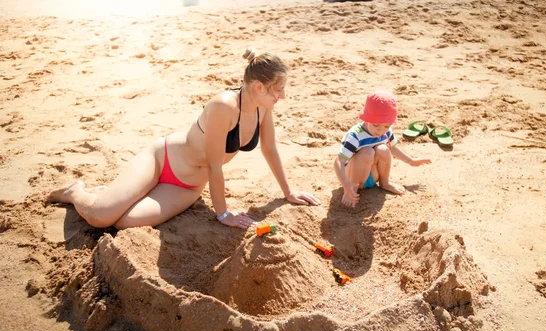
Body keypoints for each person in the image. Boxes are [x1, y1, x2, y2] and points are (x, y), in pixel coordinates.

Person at [48, 48, 321, 230]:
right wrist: (223, 214)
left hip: (188, 186)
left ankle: (110, 194)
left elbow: (270, 149)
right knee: (100, 218)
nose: (282, 96)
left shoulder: (264, 108)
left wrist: (288, 192)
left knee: (124, 223)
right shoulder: (224, 106)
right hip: (162, 160)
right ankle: (76, 192)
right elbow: (215, 166)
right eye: (279, 90)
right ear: (259, 87)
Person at [333, 90, 431, 207]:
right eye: (376, 125)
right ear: (366, 118)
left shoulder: (386, 132)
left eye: (386, 126)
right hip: (354, 177)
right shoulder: (355, 136)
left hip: (373, 176)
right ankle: (353, 190)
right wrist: (346, 185)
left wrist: (411, 161)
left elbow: (393, 149)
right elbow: (339, 161)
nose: (380, 130)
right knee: (367, 152)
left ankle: (385, 183)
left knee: (383, 149)